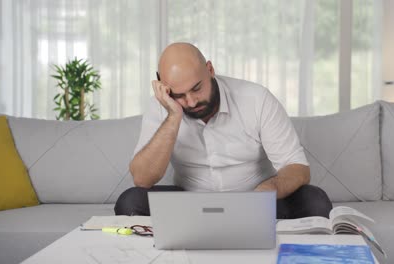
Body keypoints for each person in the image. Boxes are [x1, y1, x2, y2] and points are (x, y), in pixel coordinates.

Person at [115, 42, 332, 219]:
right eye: (179, 95)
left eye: (196, 88)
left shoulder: (256, 99)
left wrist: (263, 194)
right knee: (130, 201)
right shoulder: (161, 107)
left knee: (316, 201)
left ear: (210, 70)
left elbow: (298, 168)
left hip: (256, 202)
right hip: (191, 203)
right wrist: (173, 116)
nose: (190, 102)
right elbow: (143, 179)